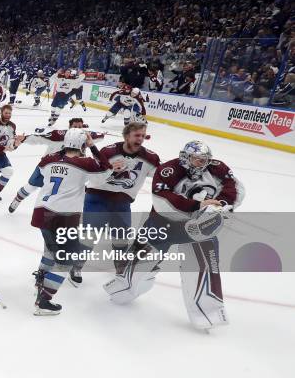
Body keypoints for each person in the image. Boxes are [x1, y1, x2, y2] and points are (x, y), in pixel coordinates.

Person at [104, 140, 245, 330]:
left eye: (205, 159)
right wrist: (196, 206)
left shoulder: (217, 168)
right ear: (186, 158)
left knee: (204, 268)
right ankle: (123, 289)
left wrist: (219, 204)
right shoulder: (168, 170)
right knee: (133, 272)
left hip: (199, 229)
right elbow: (162, 200)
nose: (202, 163)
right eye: (197, 159)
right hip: (162, 224)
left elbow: (234, 188)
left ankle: (208, 313)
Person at [31, 128, 116, 315]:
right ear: (82, 145)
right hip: (62, 217)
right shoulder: (84, 163)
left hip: (40, 212)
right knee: (67, 260)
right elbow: (106, 171)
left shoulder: (48, 159)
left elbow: (45, 171)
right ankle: (44, 300)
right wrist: (93, 147)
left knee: (51, 249)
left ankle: (41, 280)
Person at [69, 122, 160, 286]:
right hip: (98, 198)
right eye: (136, 135)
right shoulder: (109, 151)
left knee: (121, 238)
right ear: (126, 136)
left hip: (122, 202)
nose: (140, 139)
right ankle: (76, 266)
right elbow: (94, 177)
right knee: (90, 237)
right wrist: (110, 170)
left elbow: (161, 178)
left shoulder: (151, 158)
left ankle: (120, 268)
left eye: (142, 135)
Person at [8, 118, 105, 213]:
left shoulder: (85, 136)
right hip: (49, 167)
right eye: (75, 127)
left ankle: (69, 212)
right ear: (69, 127)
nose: (78, 129)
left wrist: (102, 135)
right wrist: (25, 138)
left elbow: (99, 136)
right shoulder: (58, 135)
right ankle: (18, 199)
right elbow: (39, 138)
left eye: (80, 127)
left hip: (72, 170)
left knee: (73, 192)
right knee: (31, 186)